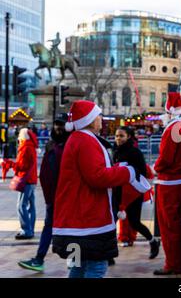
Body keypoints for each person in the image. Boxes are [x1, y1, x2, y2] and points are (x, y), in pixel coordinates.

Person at [52, 101, 150, 278]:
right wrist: (126, 172)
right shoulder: (85, 140)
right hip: (87, 220)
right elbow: (97, 177)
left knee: (78, 267)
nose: (101, 119)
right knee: (96, 268)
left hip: (77, 219)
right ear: (89, 120)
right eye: (98, 115)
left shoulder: (78, 138)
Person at [18, 116, 70, 272]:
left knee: (74, 230)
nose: (57, 128)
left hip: (66, 195)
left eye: (61, 125)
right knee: (50, 226)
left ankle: (79, 263)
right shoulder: (51, 145)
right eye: (56, 125)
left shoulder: (70, 145)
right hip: (53, 196)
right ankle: (39, 259)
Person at [153, 93, 181, 276]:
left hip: (168, 182)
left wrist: (155, 168)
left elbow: (166, 158)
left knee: (169, 226)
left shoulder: (172, 129)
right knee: (178, 224)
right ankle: (180, 262)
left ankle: (173, 264)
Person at [113, 126, 160, 258]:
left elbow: (143, 173)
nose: (118, 138)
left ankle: (153, 241)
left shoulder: (135, 152)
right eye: (116, 136)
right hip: (118, 192)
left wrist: (127, 171)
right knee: (112, 222)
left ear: (128, 136)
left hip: (133, 193)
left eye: (121, 136)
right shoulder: (115, 151)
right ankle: (109, 255)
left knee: (135, 222)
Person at [14, 128, 38, 240]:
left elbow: (21, 166)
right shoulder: (31, 146)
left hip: (26, 180)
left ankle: (26, 230)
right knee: (31, 206)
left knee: (21, 205)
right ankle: (30, 229)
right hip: (32, 180)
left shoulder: (25, 148)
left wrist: (8, 164)